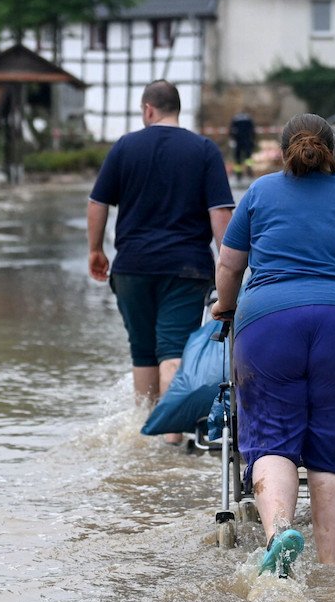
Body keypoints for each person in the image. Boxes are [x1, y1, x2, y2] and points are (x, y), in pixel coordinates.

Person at [212, 113, 335, 575]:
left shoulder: (259, 192)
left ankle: (279, 534)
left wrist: (225, 308)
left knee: (273, 438)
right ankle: (331, 569)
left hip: (268, 324)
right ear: (331, 151)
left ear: (282, 150)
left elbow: (231, 266)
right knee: (333, 451)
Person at [87, 80, 235, 443]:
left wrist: (96, 249)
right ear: (176, 109)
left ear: (148, 110)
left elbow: (98, 203)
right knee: (173, 351)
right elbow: (220, 213)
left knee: (143, 353)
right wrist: (227, 266)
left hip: (132, 267)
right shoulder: (203, 150)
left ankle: (148, 439)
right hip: (186, 268)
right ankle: (174, 440)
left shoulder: (124, 147)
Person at [229, 111, 256, 180]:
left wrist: (232, 139)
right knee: (248, 158)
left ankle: (238, 174)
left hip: (238, 142)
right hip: (247, 141)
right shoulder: (248, 119)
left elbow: (231, 131)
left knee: (238, 158)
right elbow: (253, 131)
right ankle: (249, 171)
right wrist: (253, 140)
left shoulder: (235, 119)